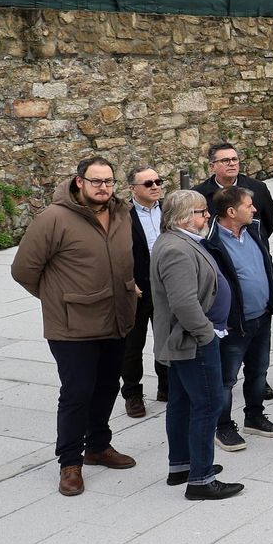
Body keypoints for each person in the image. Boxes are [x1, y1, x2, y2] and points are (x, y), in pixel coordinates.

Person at [10, 156, 140, 497]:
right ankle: (70, 462)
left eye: (108, 181)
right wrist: (57, 299)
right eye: (96, 181)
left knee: (107, 385)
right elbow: (23, 270)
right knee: (76, 393)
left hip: (116, 317)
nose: (103, 187)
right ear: (79, 181)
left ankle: (98, 445)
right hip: (73, 326)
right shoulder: (53, 218)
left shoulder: (123, 212)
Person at [149, 189, 242, 500]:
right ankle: (200, 479)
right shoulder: (176, 249)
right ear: (184, 218)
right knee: (208, 404)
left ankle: (182, 466)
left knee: (182, 402)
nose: (206, 217)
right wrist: (206, 333)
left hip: (188, 340)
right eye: (202, 212)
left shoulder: (181, 241)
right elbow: (184, 302)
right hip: (192, 341)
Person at [204, 186, 273, 452]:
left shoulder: (253, 230)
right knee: (227, 378)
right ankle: (223, 427)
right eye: (248, 205)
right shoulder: (211, 241)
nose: (254, 209)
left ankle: (254, 416)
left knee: (259, 371)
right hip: (234, 323)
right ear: (231, 211)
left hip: (262, 316)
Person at [123, 165, 168, 417]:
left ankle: (166, 386)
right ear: (132, 189)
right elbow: (115, 254)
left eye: (157, 181)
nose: (155, 186)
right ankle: (132, 394)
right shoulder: (122, 215)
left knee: (165, 338)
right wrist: (128, 281)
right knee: (133, 345)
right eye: (148, 183)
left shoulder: (167, 211)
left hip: (165, 286)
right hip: (137, 289)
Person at [197, 142, 273, 238]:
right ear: (212, 166)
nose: (231, 164)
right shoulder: (200, 194)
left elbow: (269, 221)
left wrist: (259, 240)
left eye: (234, 159)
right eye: (225, 160)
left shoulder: (258, 189)